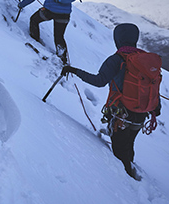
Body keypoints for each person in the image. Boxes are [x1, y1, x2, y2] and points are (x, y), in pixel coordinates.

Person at [63, 23, 161, 181]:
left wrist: (74, 71)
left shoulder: (116, 59)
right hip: (142, 113)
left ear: (118, 39)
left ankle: (126, 183)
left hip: (121, 113)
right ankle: (130, 170)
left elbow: (99, 81)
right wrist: (155, 107)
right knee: (129, 144)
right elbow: (154, 87)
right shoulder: (146, 61)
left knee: (119, 151)